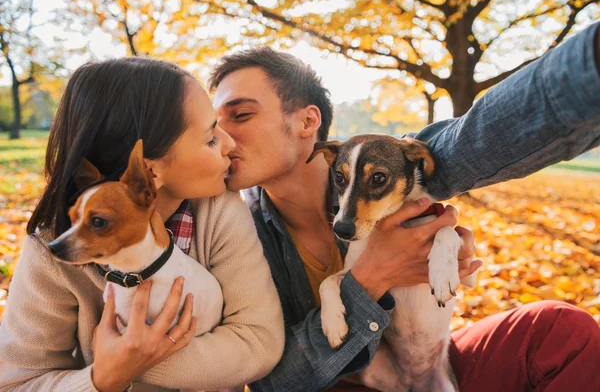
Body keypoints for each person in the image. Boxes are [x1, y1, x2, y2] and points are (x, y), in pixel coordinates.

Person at [209, 21, 600, 391]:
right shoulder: (233, 229)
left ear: (308, 121)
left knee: (562, 329)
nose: (222, 134)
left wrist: (588, 64)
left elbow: (479, 136)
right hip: (346, 381)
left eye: (240, 114)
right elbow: (270, 382)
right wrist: (370, 280)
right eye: (214, 123)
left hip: (428, 358)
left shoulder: (390, 163)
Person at [0, 57, 285, 391]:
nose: (229, 143)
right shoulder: (53, 250)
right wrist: (102, 379)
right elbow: (19, 381)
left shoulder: (220, 212)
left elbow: (259, 340)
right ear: (148, 173)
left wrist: (133, 364)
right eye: (210, 139)